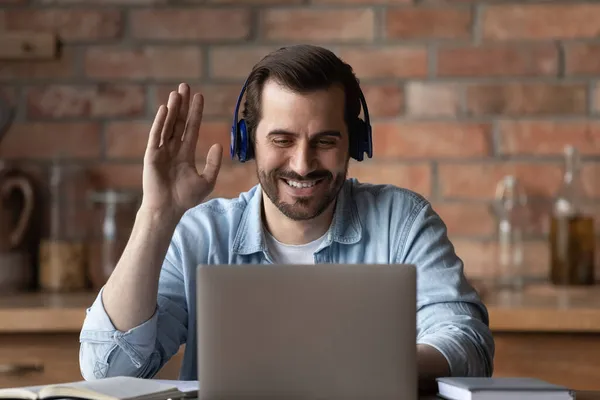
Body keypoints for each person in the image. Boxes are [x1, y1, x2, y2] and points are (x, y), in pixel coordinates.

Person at [79, 44, 494, 393]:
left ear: (357, 143)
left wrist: (369, 369)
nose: (302, 164)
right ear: (247, 143)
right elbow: (107, 370)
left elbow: (467, 343)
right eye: (282, 140)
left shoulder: (402, 221)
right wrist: (156, 214)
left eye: (325, 141)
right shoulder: (203, 233)